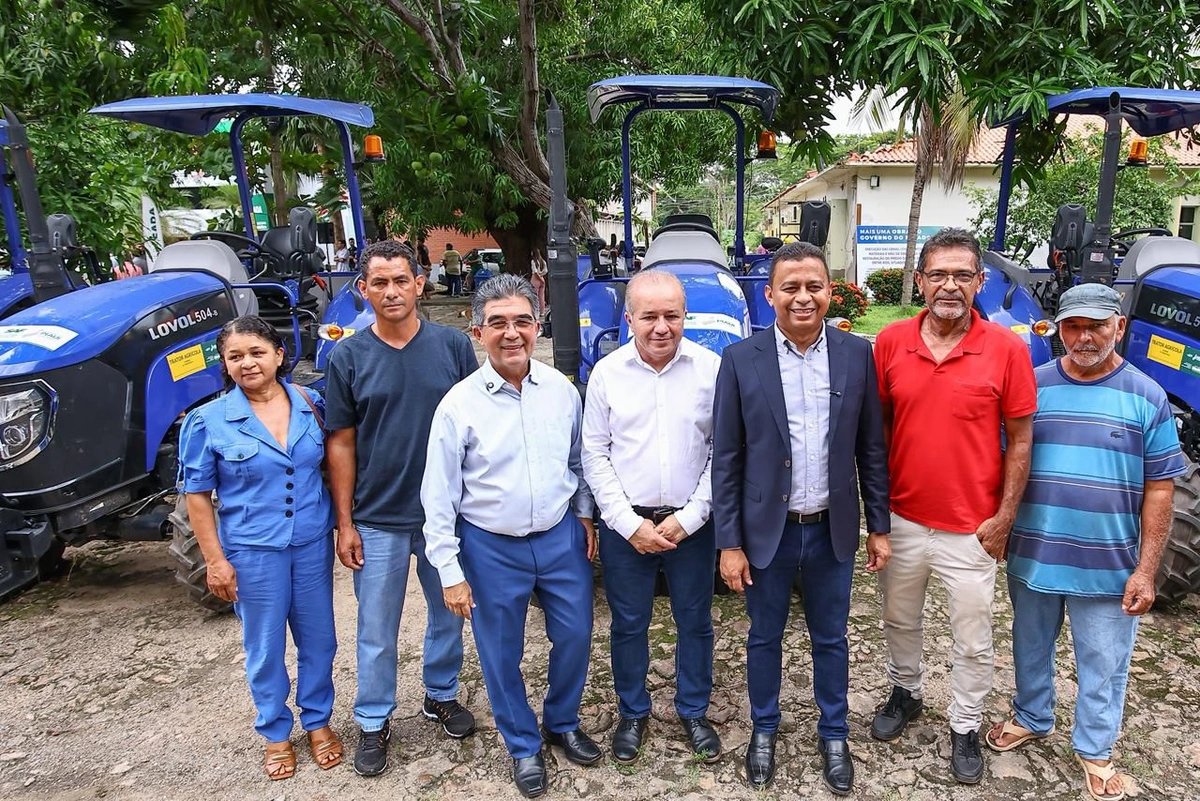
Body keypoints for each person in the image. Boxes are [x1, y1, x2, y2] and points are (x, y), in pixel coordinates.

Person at [985, 284, 1184, 801]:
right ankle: (1032, 715)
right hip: (1034, 554)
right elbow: (1008, 460)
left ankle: (1095, 750)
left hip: (1109, 564)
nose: (1084, 336)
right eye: (1073, 326)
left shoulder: (1148, 395)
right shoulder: (1034, 385)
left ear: (1119, 327)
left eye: (1097, 325)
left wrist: (1146, 570)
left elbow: (1162, 491)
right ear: (1059, 329)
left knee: (1104, 661)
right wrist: (1001, 523)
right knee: (1030, 646)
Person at [712, 241, 891, 794]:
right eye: (789, 287)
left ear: (830, 292)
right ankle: (764, 729)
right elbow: (727, 458)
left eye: (813, 285)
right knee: (764, 637)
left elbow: (871, 448)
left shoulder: (857, 355)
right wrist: (729, 542)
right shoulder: (742, 360)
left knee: (831, 638)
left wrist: (878, 527)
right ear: (769, 295)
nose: (803, 297)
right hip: (768, 533)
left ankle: (833, 733)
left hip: (830, 531)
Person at [422, 274, 599, 799]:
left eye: (522, 320)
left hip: (559, 538)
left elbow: (578, 460)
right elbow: (438, 496)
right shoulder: (458, 405)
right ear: (478, 332)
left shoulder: (562, 392)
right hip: (490, 546)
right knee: (500, 652)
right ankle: (523, 744)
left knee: (574, 635)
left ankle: (561, 723)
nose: (512, 333)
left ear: (537, 324)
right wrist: (450, 573)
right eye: (497, 323)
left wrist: (583, 517)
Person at [870, 226, 1037, 784]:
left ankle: (965, 723)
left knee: (972, 634)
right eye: (938, 274)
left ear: (979, 282)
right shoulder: (891, 343)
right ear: (919, 281)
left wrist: (1004, 518)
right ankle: (907, 690)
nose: (949, 285)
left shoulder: (1007, 350)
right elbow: (881, 431)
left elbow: (1021, 439)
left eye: (962, 275)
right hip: (903, 518)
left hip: (974, 526)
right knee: (898, 617)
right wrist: (877, 515)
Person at [325, 239, 479, 778]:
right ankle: (373, 719)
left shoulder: (453, 347)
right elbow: (340, 441)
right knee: (375, 625)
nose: (391, 292)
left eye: (400, 280)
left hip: (445, 516)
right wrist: (344, 523)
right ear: (363, 290)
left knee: (448, 613)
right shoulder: (347, 356)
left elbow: (472, 427)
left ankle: (439, 694)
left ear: (420, 283)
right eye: (378, 283)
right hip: (378, 516)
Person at [178, 315, 340, 781]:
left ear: (278, 355)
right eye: (235, 356)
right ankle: (274, 731)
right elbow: (197, 497)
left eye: (256, 352)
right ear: (225, 365)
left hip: (310, 543)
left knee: (319, 640)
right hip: (251, 551)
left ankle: (317, 721)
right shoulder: (206, 421)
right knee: (265, 646)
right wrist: (215, 561)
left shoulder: (311, 403)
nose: (247, 363)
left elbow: (329, 466)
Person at [582, 270, 723, 765]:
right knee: (628, 623)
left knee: (695, 621)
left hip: (692, 525)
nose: (661, 326)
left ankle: (693, 711)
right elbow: (595, 454)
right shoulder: (606, 374)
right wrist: (626, 522)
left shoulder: (711, 370)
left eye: (672, 315)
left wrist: (692, 516)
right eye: (649, 316)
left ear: (686, 316)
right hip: (628, 527)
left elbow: (721, 452)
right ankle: (633, 712)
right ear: (629, 319)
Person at [530, 249, 548, 314]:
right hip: (542, 279)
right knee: (541, 296)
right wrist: (541, 276)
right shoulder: (543, 261)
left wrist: (538, 277)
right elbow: (546, 271)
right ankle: (542, 312)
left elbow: (535, 272)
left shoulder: (533, 261)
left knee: (535, 296)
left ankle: (536, 311)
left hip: (535, 279)